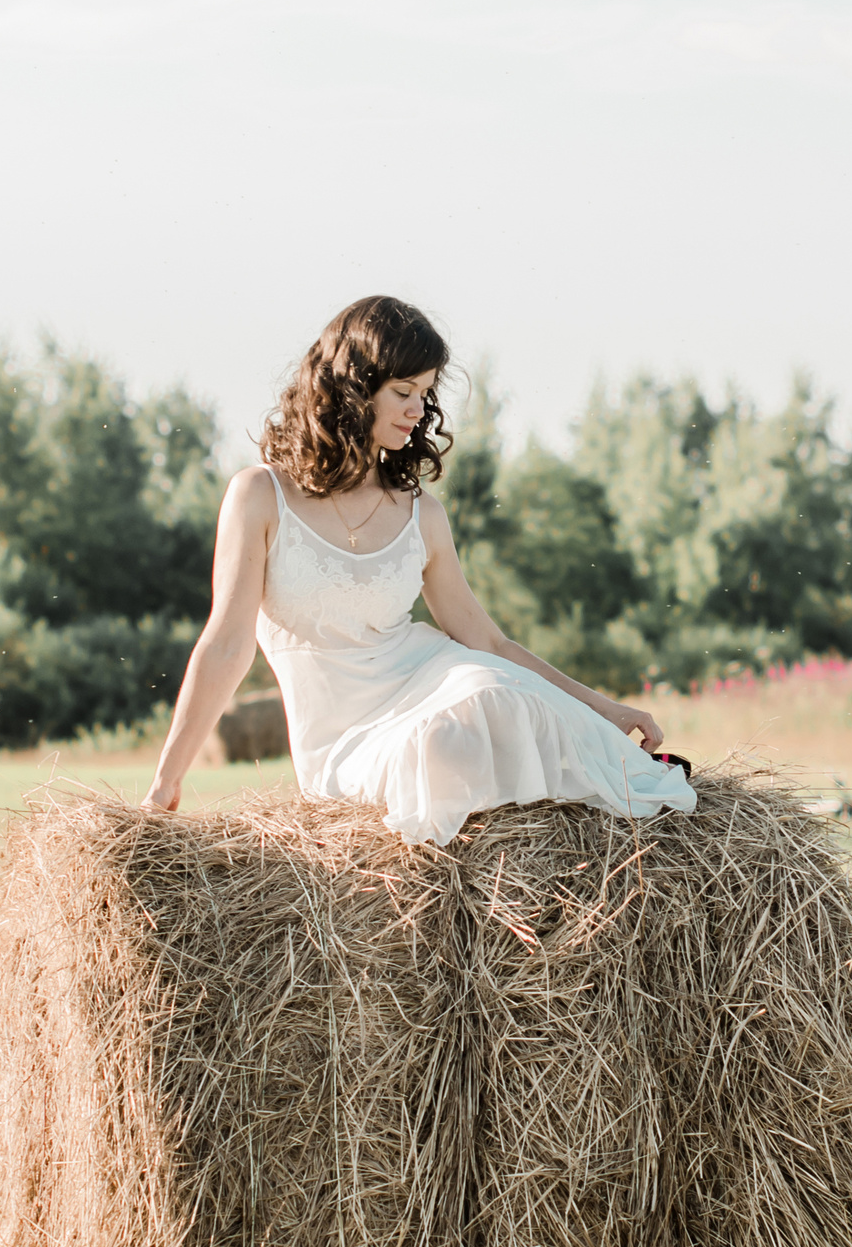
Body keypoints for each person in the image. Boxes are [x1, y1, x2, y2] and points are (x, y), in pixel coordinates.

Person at [143, 296, 696, 846]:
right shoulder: (260, 496)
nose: (418, 409)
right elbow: (226, 644)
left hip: (433, 680)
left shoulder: (421, 513)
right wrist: (167, 782)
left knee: (491, 692)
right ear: (352, 391)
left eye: (425, 393)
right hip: (345, 736)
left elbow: (488, 641)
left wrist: (606, 709)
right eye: (403, 392)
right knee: (442, 744)